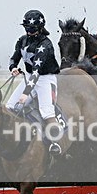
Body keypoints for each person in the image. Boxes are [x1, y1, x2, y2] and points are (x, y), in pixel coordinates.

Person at [6, 9, 63, 155]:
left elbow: (37, 71)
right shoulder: (22, 40)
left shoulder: (45, 44)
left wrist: (26, 94)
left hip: (45, 79)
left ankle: (55, 143)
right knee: (10, 107)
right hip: (29, 76)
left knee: (46, 112)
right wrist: (13, 68)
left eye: (32, 29)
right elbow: (14, 57)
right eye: (27, 28)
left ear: (39, 28)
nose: (29, 32)